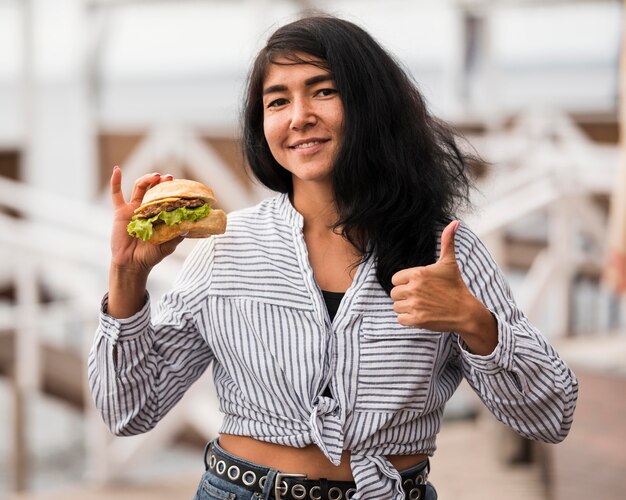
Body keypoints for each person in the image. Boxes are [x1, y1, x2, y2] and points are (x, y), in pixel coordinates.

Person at [88, 14, 578, 500]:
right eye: (278, 101)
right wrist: (127, 277)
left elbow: (551, 416)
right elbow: (129, 411)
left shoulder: (446, 251)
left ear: (370, 104)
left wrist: (476, 323)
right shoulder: (226, 249)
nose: (299, 116)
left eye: (324, 91)